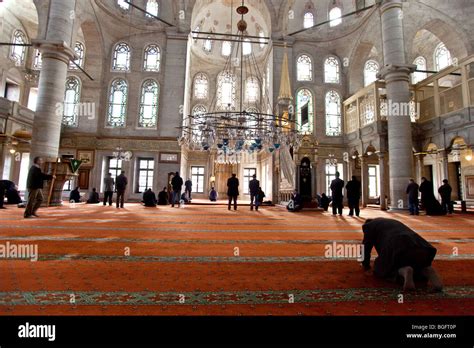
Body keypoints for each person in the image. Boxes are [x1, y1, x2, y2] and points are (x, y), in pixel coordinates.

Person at [361, 218, 443, 292]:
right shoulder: (390, 221)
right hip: (421, 245)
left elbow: (366, 247)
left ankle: (404, 270)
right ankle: (429, 272)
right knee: (418, 264)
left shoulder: (369, 226)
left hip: (398, 245)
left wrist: (366, 265)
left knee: (380, 266)